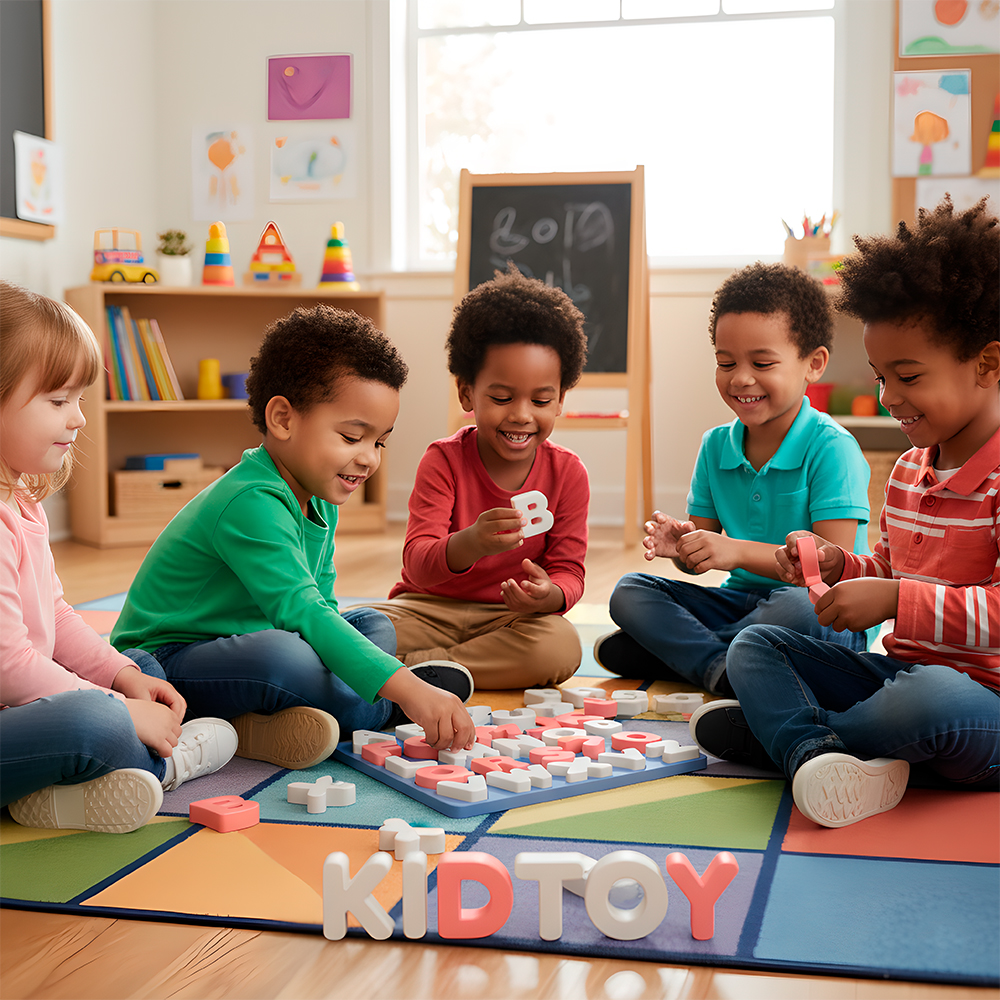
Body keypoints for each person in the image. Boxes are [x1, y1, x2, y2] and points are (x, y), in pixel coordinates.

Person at [691, 196, 999, 828]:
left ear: (988, 364)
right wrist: (839, 566)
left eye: (908, 377)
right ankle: (821, 752)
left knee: (931, 698)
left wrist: (894, 600)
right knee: (756, 646)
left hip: (979, 706)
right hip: (898, 676)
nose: (888, 397)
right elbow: (886, 565)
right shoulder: (910, 468)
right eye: (882, 377)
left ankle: (791, 740)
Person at [111, 305, 476, 766]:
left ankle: (260, 723)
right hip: (167, 662)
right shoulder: (250, 499)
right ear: (283, 419)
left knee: (374, 625)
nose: (369, 458)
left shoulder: (319, 495)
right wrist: (410, 691)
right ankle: (382, 709)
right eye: (352, 437)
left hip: (251, 643)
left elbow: (322, 606)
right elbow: (301, 611)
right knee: (284, 658)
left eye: (379, 442)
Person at [0, 281, 237, 834]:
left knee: (141, 666)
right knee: (95, 721)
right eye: (58, 401)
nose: (78, 419)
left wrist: (121, 676)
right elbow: (9, 668)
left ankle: (75, 786)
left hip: (22, 706)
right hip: (16, 702)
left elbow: (55, 616)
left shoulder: (20, 498)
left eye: (78, 399)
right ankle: (161, 764)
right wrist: (115, 706)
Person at [599, 262, 873, 695]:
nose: (741, 378)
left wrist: (735, 550)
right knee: (629, 591)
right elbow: (701, 552)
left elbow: (832, 568)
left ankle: (684, 652)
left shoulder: (832, 448)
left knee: (799, 610)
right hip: (739, 605)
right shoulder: (715, 446)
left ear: (813, 364)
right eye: (725, 362)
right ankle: (721, 666)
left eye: (762, 362)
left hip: (821, 612)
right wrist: (682, 546)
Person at [366, 266, 590, 689]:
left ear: (561, 399)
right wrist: (471, 542)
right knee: (355, 628)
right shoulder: (443, 460)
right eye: (502, 397)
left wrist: (551, 594)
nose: (521, 414)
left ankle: (414, 671)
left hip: (510, 618)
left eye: (541, 400)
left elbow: (568, 570)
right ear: (467, 392)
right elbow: (418, 564)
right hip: (426, 610)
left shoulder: (568, 472)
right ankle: (428, 670)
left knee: (560, 646)